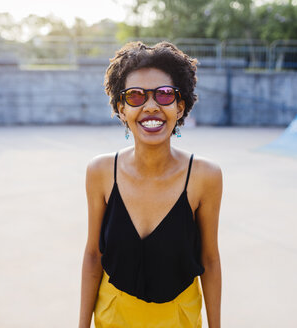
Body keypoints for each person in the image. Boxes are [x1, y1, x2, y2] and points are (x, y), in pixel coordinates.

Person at [79, 41, 222, 328]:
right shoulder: (101, 171)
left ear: (180, 107)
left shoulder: (205, 176)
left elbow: (209, 258)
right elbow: (94, 255)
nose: (151, 106)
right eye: (135, 96)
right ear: (121, 109)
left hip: (178, 319)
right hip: (113, 317)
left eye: (165, 94)